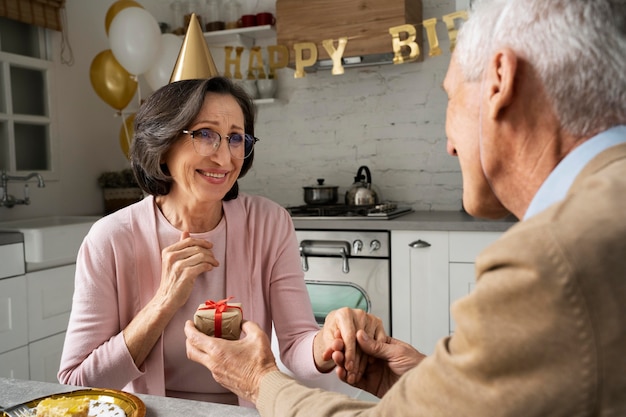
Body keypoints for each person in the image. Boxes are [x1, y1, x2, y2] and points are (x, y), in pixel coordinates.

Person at [183, 0, 626, 415]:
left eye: (450, 98)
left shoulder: (551, 258)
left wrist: (257, 380)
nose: (448, 144)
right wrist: (424, 380)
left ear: (499, 81)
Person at [58, 76, 385, 406]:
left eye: (235, 138)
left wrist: (330, 340)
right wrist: (164, 302)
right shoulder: (111, 239)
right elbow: (77, 381)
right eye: (204, 134)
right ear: (163, 143)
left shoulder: (269, 223)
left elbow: (296, 344)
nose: (225, 158)